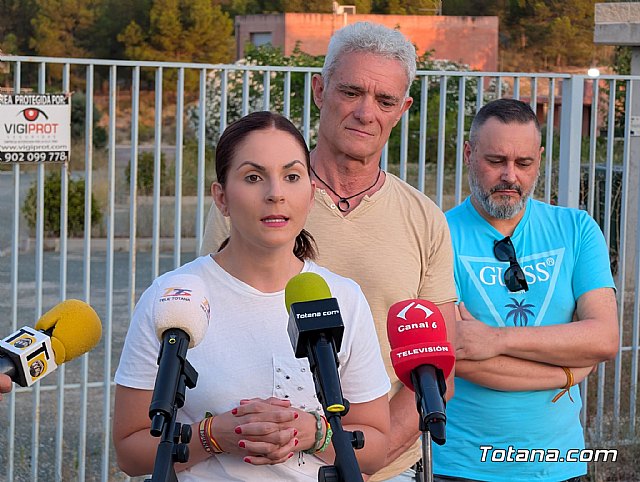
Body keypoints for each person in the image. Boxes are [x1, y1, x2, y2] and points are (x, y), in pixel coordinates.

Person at [200, 22, 457, 482]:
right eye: (351, 91)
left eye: (384, 100)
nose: (365, 112)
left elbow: (437, 369)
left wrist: (357, 459)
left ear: (403, 109)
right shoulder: (255, 204)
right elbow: (209, 326)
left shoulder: (425, 220)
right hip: (256, 464)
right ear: (320, 90)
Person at [112, 111, 391, 481]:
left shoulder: (343, 298)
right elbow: (130, 452)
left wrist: (315, 433)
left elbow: (376, 449)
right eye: (253, 177)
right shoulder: (173, 297)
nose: (275, 193)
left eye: (291, 176)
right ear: (222, 198)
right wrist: (211, 436)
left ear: (311, 193)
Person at [433, 98, 619, 482]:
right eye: (496, 161)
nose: (510, 176)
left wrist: (495, 340)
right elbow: (456, 354)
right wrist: (569, 372)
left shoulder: (577, 229)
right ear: (469, 154)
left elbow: (603, 338)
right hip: (461, 465)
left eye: (524, 163)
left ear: (540, 159)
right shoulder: (438, 235)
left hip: (557, 462)